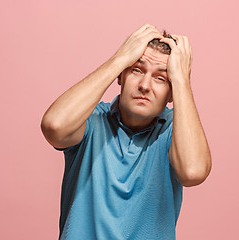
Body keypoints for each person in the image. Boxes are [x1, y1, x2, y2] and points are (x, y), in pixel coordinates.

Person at [41, 24, 212, 240]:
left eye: (161, 78)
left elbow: (193, 172)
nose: (145, 85)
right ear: (120, 77)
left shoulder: (174, 131)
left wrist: (182, 80)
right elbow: (54, 126)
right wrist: (119, 59)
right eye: (137, 70)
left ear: (172, 93)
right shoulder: (91, 121)